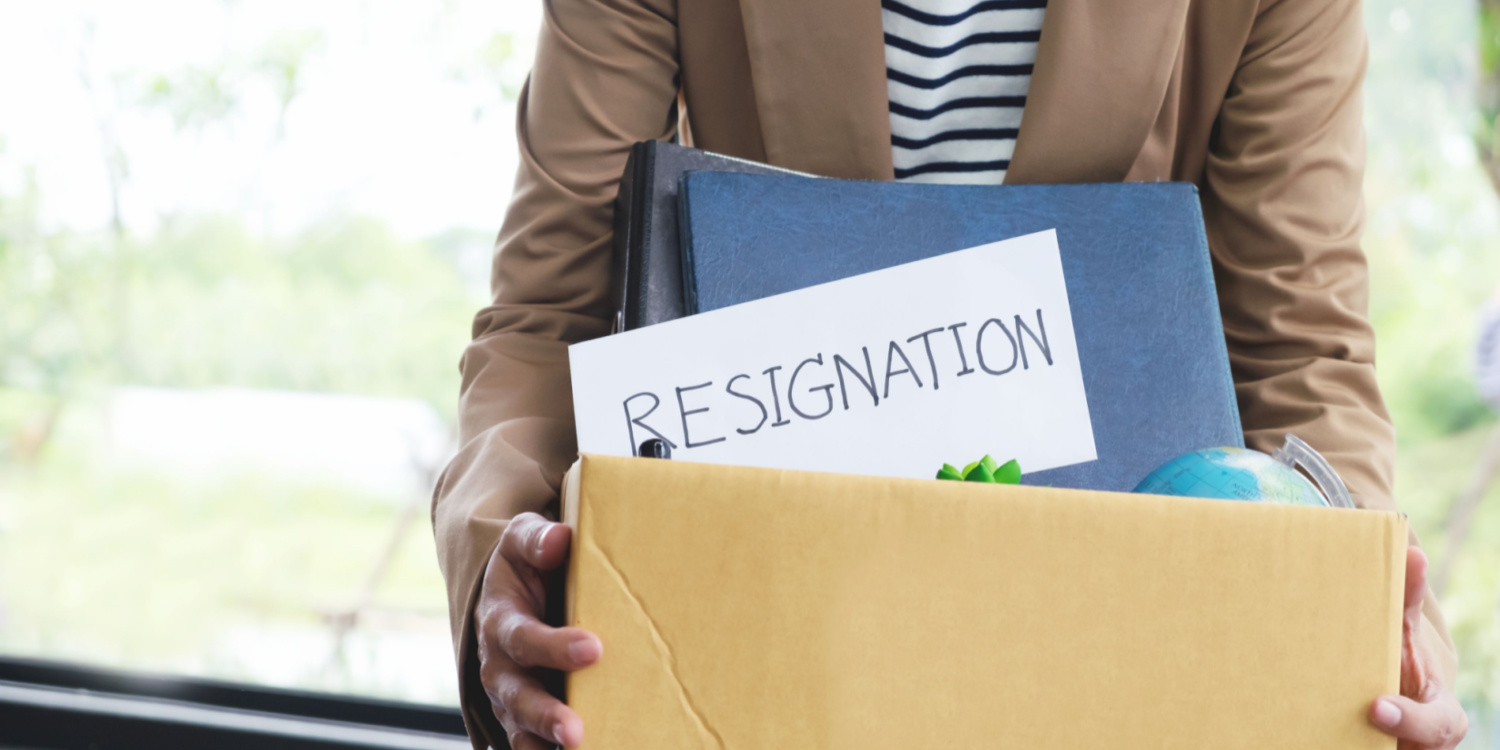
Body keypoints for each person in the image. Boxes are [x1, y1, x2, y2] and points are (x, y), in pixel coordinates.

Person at [431, 0, 1468, 748]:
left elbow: (1300, 351)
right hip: (763, 638)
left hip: (1122, 666)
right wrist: (501, 569)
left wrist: (1366, 605)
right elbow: (550, 316)